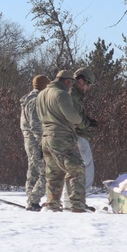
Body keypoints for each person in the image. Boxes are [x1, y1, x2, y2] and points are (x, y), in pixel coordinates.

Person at [35, 69, 89, 212]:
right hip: (61, 138)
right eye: (71, 84)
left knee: (54, 174)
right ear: (66, 81)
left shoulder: (41, 94)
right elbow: (73, 117)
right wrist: (81, 120)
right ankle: (77, 205)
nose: (71, 87)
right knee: (77, 169)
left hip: (46, 138)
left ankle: (52, 205)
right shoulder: (61, 94)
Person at [20, 74, 51, 211]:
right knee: (46, 172)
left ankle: (30, 200)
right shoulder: (36, 101)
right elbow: (36, 126)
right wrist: (43, 142)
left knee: (33, 171)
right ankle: (33, 200)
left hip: (30, 141)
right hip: (35, 141)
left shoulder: (30, 99)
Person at [71, 66, 99, 194]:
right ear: (81, 81)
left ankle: (70, 199)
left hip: (73, 135)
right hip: (76, 135)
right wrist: (87, 123)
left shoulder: (74, 94)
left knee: (72, 170)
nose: (88, 88)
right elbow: (75, 118)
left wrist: (87, 119)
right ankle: (81, 196)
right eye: (88, 84)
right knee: (86, 166)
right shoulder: (73, 95)